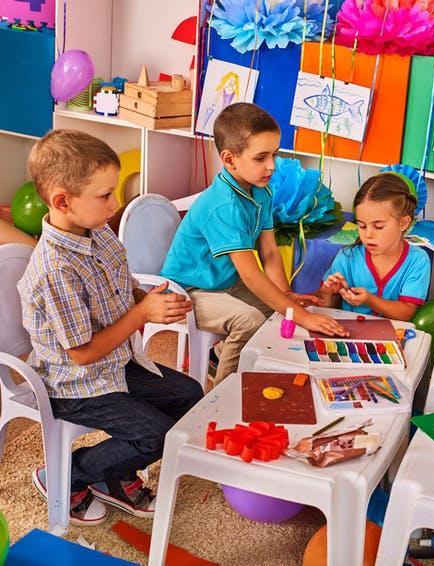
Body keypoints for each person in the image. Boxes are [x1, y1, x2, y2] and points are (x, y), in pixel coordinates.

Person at [19, 130, 204, 525]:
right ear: (62, 201)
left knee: (190, 395)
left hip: (114, 363)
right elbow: (82, 353)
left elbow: (122, 286)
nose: (116, 203)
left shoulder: (97, 231)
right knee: (155, 434)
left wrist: (148, 302)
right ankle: (64, 476)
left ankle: (113, 477)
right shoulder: (55, 269)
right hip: (71, 383)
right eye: (105, 195)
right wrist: (141, 316)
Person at [161, 103, 346, 384]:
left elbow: (270, 253)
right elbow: (250, 273)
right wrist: (299, 315)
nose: (271, 165)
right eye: (261, 158)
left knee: (279, 309)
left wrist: (285, 294)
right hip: (187, 292)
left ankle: (221, 354)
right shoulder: (224, 205)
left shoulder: (260, 191)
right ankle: (220, 398)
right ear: (230, 159)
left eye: (274, 154)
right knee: (250, 320)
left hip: (224, 284)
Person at [317, 172, 431, 321]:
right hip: (350, 334)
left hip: (394, 338)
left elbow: (406, 312)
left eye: (378, 226)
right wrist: (327, 293)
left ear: (403, 223)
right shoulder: (347, 257)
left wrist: (370, 301)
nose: (368, 234)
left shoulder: (418, 260)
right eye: (362, 226)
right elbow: (326, 307)